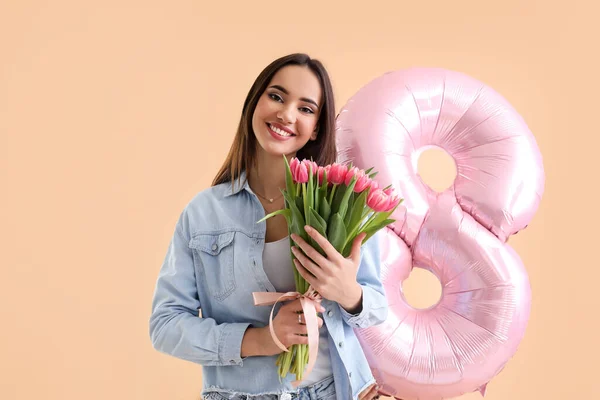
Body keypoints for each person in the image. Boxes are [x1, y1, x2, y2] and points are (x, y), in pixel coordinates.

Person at [149, 53, 388, 400]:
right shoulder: (203, 213)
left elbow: (377, 307)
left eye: (306, 109)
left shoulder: (342, 204)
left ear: (317, 127)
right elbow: (165, 326)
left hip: (336, 390)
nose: (286, 115)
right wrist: (260, 340)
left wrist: (349, 293)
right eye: (276, 96)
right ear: (254, 103)